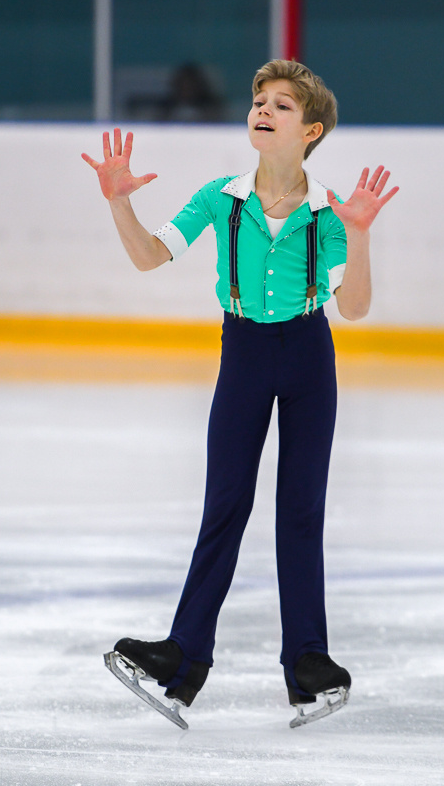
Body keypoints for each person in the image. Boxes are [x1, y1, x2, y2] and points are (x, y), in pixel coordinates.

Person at [82, 59, 398, 721]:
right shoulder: (219, 198)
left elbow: (355, 307)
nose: (263, 110)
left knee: (300, 509)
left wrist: (360, 234)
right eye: (259, 100)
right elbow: (150, 256)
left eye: (282, 105)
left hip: (308, 356)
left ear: (310, 131)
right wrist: (118, 201)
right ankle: (183, 655)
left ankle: (307, 661)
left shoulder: (330, 214)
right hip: (244, 354)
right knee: (224, 503)